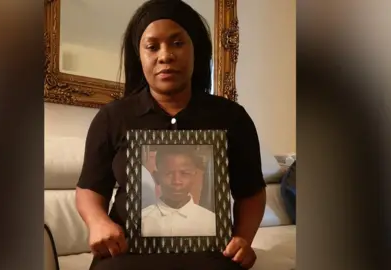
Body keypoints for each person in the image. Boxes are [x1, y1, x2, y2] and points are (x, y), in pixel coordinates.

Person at [75, 0, 266, 269]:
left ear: (195, 50)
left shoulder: (232, 118)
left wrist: (243, 239)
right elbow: (89, 188)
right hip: (127, 252)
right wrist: (98, 222)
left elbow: (251, 192)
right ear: (139, 55)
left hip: (210, 253)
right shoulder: (112, 117)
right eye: (152, 47)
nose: (165, 56)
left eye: (177, 43)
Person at [141, 146, 216, 237]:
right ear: (156, 177)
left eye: (184, 173)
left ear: (194, 176)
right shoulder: (142, 221)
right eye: (168, 173)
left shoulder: (211, 223)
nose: (176, 181)